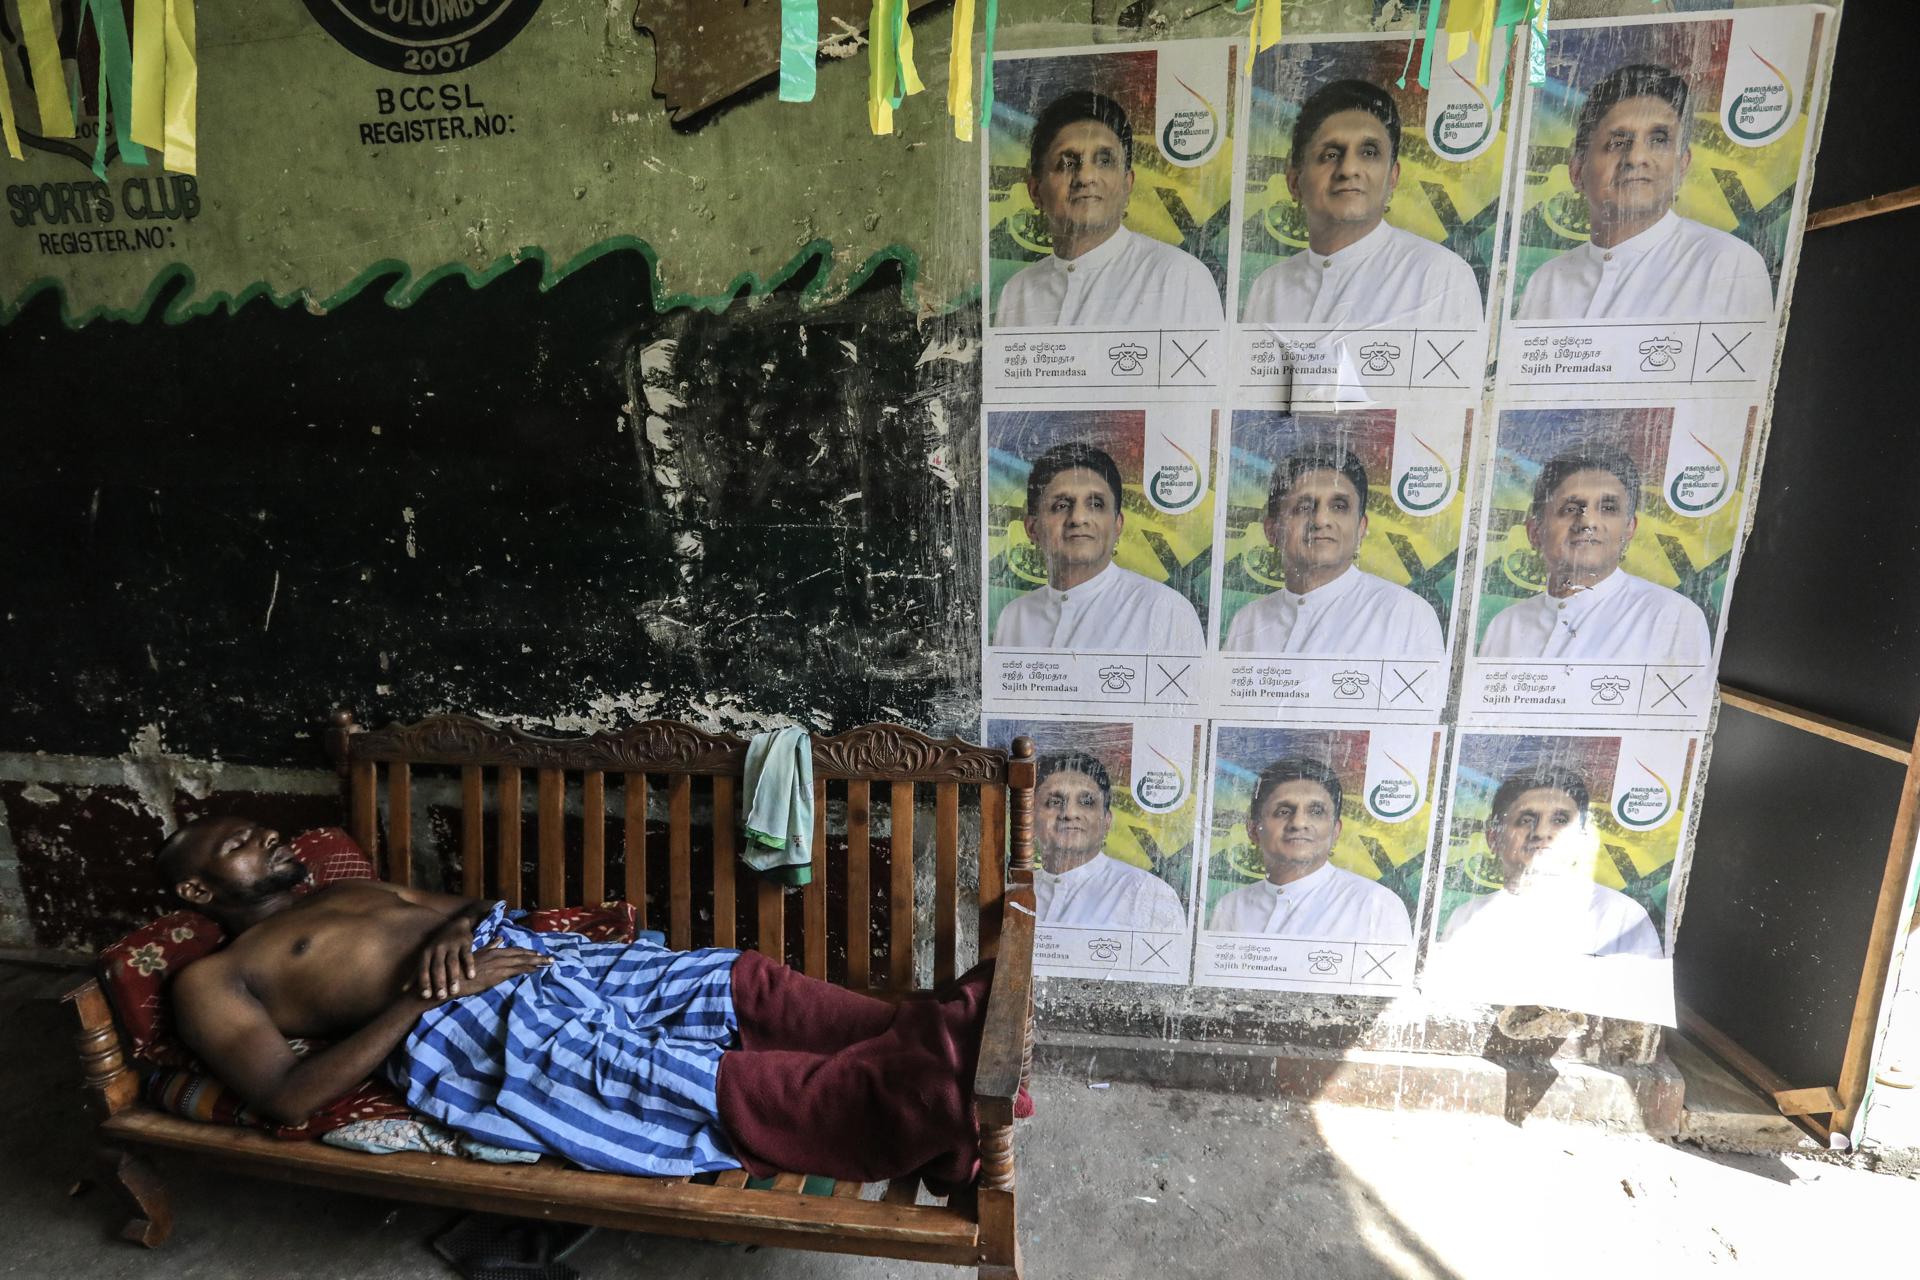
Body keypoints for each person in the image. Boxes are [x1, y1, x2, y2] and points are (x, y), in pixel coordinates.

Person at [155, 816, 1011, 1184]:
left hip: (520, 953)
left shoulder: (347, 889)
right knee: (645, 1069)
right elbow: (285, 1097)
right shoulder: (214, 977)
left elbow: (455, 909)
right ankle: (910, 1102)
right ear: (199, 890)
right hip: (459, 1024)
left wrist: (458, 936)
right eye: (236, 843)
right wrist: (424, 996)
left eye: (258, 829)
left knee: (727, 977)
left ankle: (928, 1039)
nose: (263, 837)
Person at [1516, 63, 1773, 322]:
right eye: (1617, 143)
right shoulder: (1547, 281)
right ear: (1577, 171)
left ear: (1682, 165)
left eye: (1659, 140)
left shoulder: (1726, 264)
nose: (1637, 157)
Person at [1243, 79, 1481, 330]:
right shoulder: (1269, 288)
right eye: (1330, 155)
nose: (1348, 169)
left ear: (1392, 177)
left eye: (1369, 152)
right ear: (1294, 182)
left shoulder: (1440, 277)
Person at [995, 90, 1224, 328]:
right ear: (1035, 191)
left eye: (1105, 161)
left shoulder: (1177, 278)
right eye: (1067, 163)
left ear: (1128, 185)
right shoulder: (1017, 292)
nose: (1085, 177)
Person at [1478, 443, 1712, 663]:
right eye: (1570, 509)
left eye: (1608, 509)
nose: (1588, 522)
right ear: (1534, 532)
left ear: (1629, 528)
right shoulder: (1505, 625)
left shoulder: (1671, 617)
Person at [1224, 446, 1445, 655]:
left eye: (1339, 507)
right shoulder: (1247, 621)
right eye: (1304, 507)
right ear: (1272, 531)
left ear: (1361, 528)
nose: (1321, 520)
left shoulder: (1406, 615)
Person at [993, 442, 1206, 653]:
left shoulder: (1165, 611)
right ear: (1032, 528)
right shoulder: (1013, 617)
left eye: (1096, 504)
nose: (1078, 518)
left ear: (1117, 524)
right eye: (1061, 506)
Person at [1438, 766, 1663, 958]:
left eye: (1560, 820)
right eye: (1526, 819)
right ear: (1494, 838)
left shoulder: (1620, 915)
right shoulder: (1466, 918)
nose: (1542, 832)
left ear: (1583, 839)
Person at [1208, 757, 1413, 945]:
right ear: (1253, 829)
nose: (1298, 823)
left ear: (1335, 831)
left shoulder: (1375, 906)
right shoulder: (1231, 906)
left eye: (1316, 812)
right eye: (1283, 811)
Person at [1031, 751, 1187, 932]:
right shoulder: (1011, 893)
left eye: (1087, 802)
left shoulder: (1146, 894)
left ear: (1107, 821)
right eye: (1055, 802)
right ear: (1031, 817)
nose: (1069, 813)